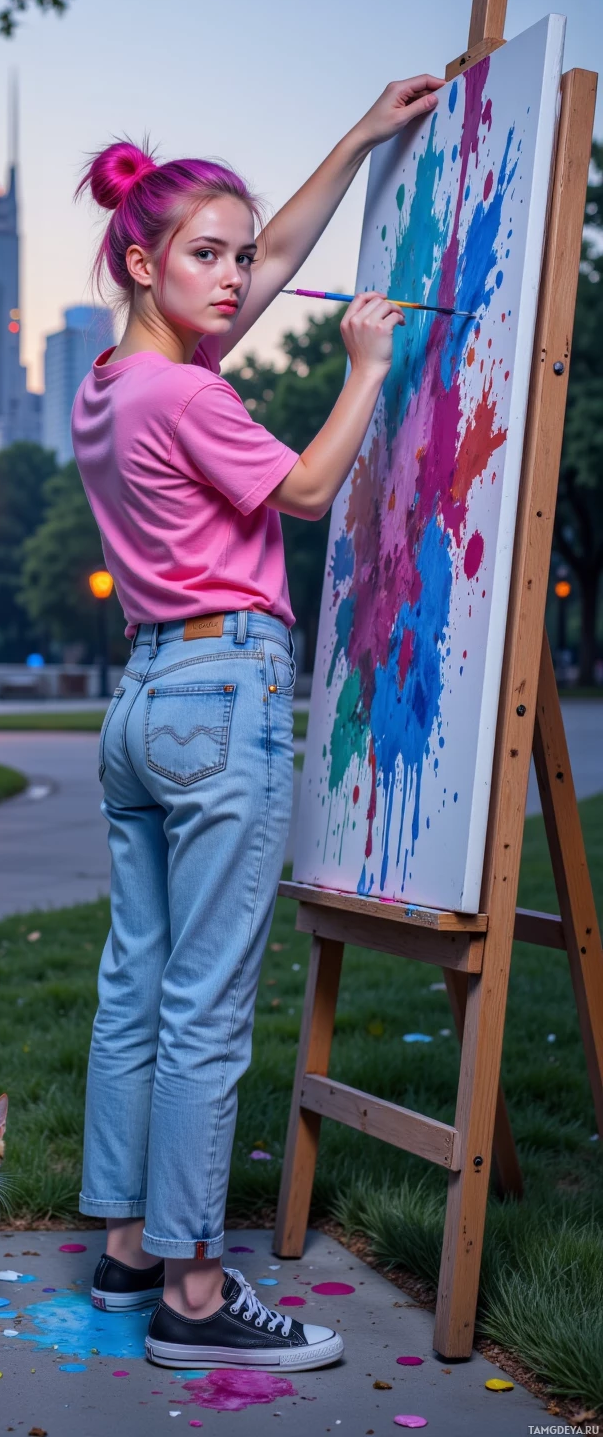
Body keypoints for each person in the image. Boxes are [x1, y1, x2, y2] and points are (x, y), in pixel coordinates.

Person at [71, 73, 442, 1373]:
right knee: (208, 1006)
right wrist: (371, 366)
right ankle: (193, 1291)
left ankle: (122, 1254)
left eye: (239, 254)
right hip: (219, 695)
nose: (237, 277)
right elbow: (304, 490)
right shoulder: (194, 399)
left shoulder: (114, 380)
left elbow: (281, 251)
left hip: (141, 704)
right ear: (142, 255)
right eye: (206, 256)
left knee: (138, 993)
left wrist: (359, 134)